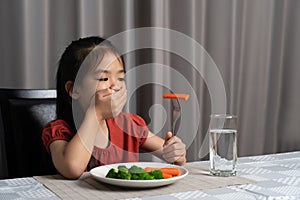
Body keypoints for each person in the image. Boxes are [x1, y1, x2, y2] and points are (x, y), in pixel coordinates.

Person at [42, 36, 186, 179]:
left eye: (120, 78)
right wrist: (95, 113)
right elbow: (72, 168)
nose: (115, 86)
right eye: (103, 78)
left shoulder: (129, 125)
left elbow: (175, 157)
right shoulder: (59, 130)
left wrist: (176, 151)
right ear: (74, 89)